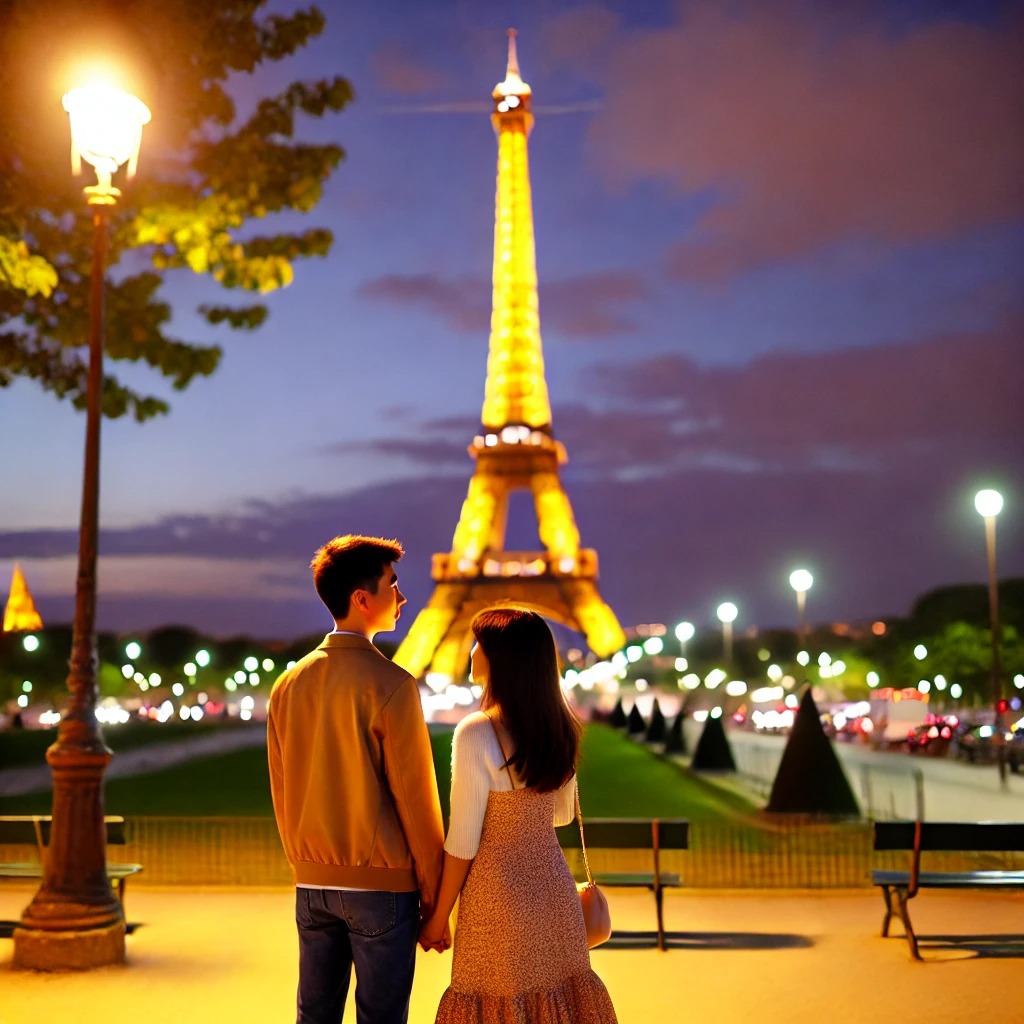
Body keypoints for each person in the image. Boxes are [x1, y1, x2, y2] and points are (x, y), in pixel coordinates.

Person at [267, 534, 447, 1024]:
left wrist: (304, 864)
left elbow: (282, 789)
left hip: (312, 883)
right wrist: (433, 898)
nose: (402, 597)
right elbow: (416, 802)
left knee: (314, 1015)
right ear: (362, 599)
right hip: (382, 888)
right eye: (393, 584)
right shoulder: (392, 684)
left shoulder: (288, 684)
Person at [419, 606, 618, 1023]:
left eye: (480, 644)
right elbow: (561, 815)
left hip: (499, 901)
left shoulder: (477, 731)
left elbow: (463, 842)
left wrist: (437, 917)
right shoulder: (560, 728)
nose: (472, 652)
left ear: (500, 659)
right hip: (554, 891)